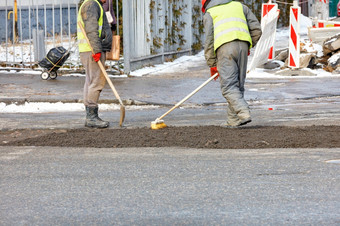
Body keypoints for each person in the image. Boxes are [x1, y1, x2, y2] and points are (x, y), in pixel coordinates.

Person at [202, 0, 262, 128]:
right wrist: (247, 45)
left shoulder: (210, 13)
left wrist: (212, 63)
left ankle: (243, 112)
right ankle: (233, 120)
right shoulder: (240, 6)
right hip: (243, 46)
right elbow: (257, 30)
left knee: (228, 87)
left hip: (224, 49)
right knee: (237, 86)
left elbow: (209, 41)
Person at [77, 0, 113, 128]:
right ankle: (92, 116)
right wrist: (97, 50)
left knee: (90, 80)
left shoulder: (91, 4)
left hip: (89, 49)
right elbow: (91, 30)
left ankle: (90, 115)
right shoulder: (92, 5)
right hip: (91, 50)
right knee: (96, 81)